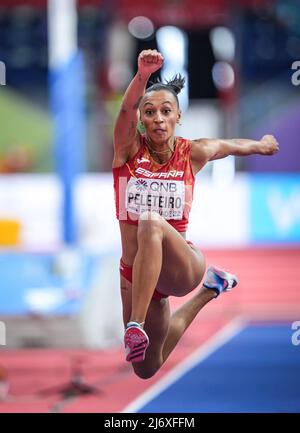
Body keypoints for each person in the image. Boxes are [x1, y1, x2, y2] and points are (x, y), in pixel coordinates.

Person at [112, 49, 279, 380]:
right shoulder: (126, 154)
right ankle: (211, 288)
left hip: (180, 265)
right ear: (141, 121)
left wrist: (260, 144)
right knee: (146, 368)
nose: (158, 117)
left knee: (149, 221)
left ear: (178, 117)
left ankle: (136, 324)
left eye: (166, 111)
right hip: (137, 275)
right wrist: (142, 75)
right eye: (149, 112)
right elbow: (124, 109)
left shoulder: (193, 153)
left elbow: (229, 145)